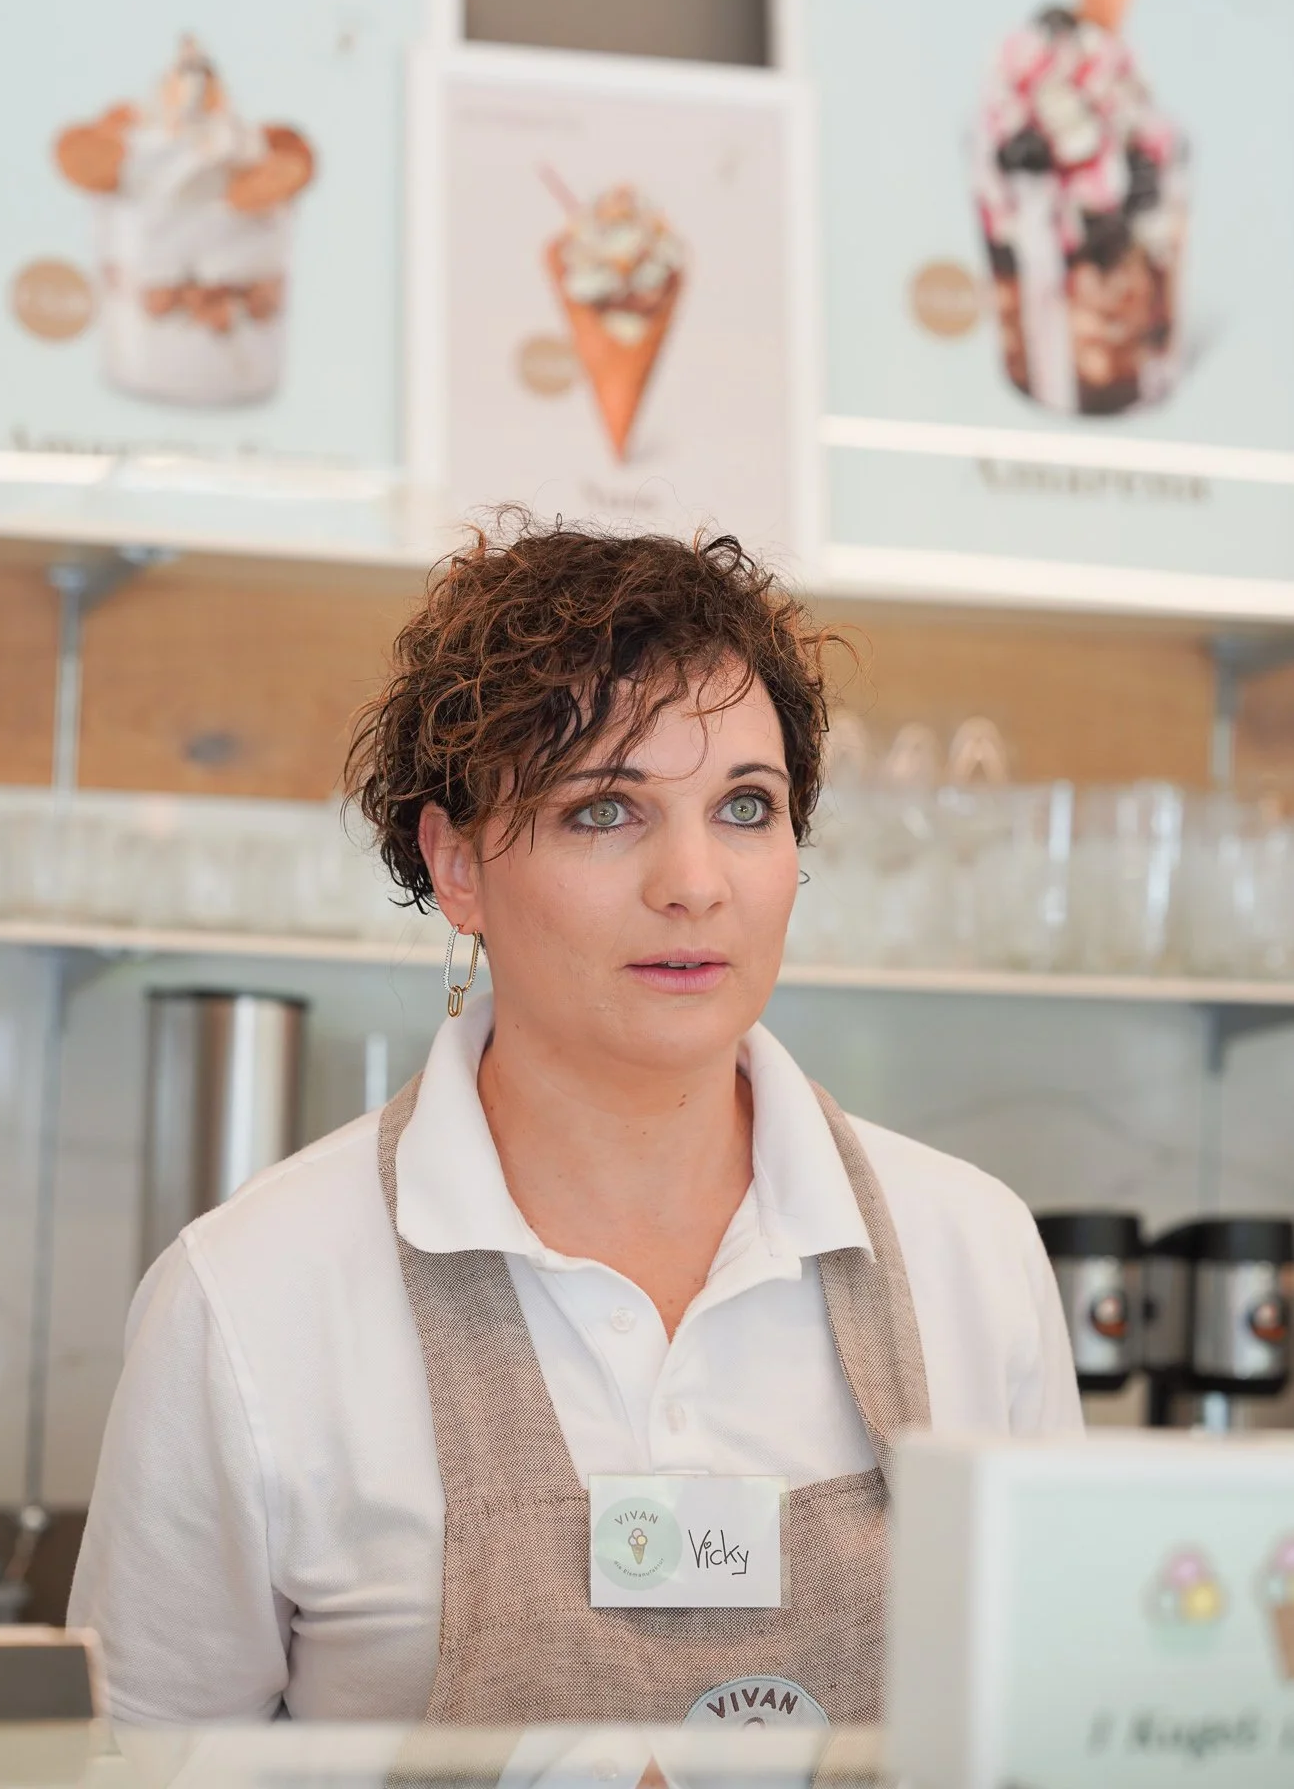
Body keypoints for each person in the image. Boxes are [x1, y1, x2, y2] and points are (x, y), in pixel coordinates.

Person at [69, 519, 1081, 1724]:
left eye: (745, 805)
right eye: (605, 809)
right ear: (456, 862)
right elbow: (138, 1765)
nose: (693, 882)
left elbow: (1055, 1729)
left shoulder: (971, 1252)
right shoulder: (248, 1299)